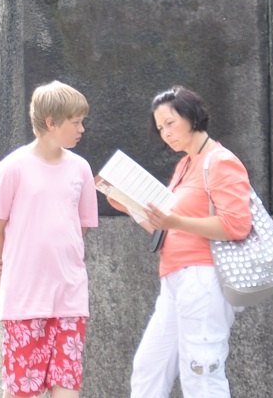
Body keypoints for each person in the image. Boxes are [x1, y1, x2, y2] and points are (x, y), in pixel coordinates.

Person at [100, 85, 252, 398]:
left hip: (204, 277)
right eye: (160, 128)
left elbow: (237, 225)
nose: (166, 133)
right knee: (149, 368)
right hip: (175, 278)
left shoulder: (220, 160)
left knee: (202, 373)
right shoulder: (185, 165)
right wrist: (126, 202)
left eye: (170, 123)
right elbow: (167, 228)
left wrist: (174, 221)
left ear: (191, 115)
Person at [0, 81, 99, 398]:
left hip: (69, 295)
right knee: (22, 390)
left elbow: (81, 227)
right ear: (51, 123)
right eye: (75, 122)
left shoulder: (81, 168)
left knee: (67, 386)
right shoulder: (12, 168)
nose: (82, 129)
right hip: (25, 298)